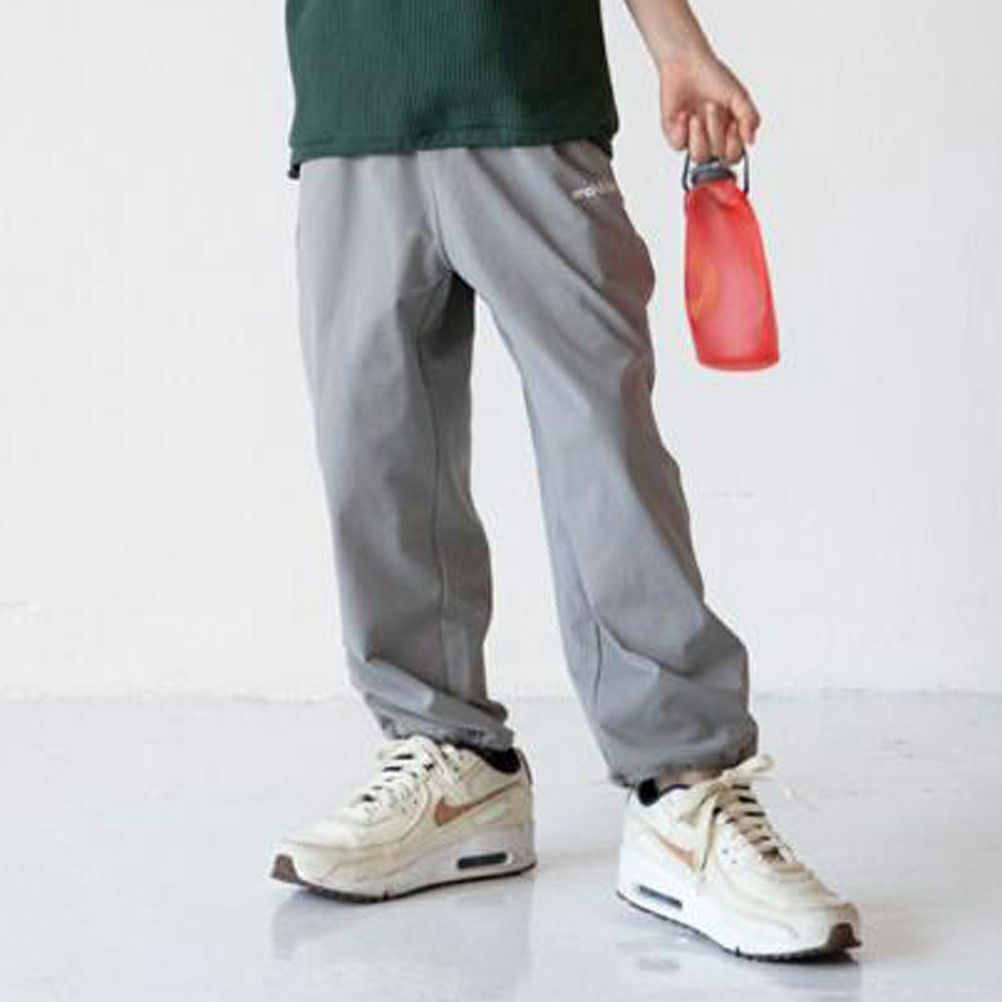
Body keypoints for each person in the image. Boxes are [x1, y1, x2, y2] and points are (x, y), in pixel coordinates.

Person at [271, 0, 861, 960]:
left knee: (603, 450)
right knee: (370, 453)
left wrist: (677, 45)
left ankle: (682, 789)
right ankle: (453, 762)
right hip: (350, 104)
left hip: (524, 91)